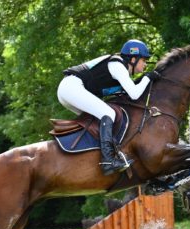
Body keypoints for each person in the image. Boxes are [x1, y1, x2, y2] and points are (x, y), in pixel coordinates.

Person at [57, 39, 160, 175]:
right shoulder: (117, 65)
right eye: (144, 60)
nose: (145, 65)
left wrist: (145, 80)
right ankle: (108, 161)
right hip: (71, 87)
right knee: (108, 113)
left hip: (68, 90)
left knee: (98, 120)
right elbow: (134, 94)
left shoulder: (121, 72)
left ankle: (94, 155)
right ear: (133, 59)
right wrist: (148, 77)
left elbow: (128, 93)